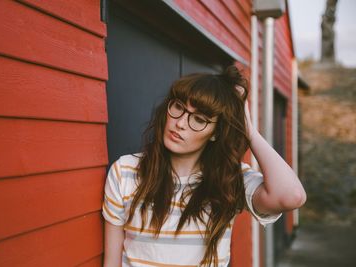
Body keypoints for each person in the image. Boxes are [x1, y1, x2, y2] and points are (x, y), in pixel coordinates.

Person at [102, 65, 307, 267]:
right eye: (178, 107)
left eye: (199, 119)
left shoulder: (230, 179)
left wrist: (249, 131)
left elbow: (292, 196)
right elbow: (111, 262)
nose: (180, 123)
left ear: (216, 133)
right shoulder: (126, 171)